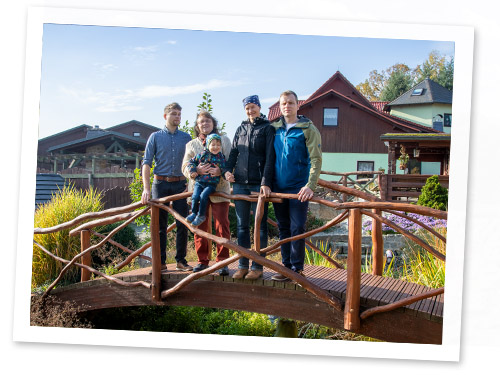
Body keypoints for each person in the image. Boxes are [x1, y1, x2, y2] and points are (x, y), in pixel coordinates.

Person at [270, 90, 322, 281]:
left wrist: (310, 185)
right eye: (284, 103)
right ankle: (286, 268)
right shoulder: (274, 128)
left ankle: (297, 269)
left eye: (291, 103)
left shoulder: (308, 129)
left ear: (297, 105)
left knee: (297, 226)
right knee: (283, 227)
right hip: (278, 187)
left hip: (299, 188)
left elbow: (316, 160)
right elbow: (268, 158)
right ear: (280, 106)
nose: (287, 106)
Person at [224, 95, 275, 280]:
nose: (250, 110)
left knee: (259, 226)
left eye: (253, 107)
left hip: (257, 184)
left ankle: (258, 267)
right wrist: (227, 171)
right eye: (247, 108)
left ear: (259, 107)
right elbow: (233, 154)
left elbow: (270, 157)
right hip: (239, 184)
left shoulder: (267, 128)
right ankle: (243, 265)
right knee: (242, 226)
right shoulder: (240, 128)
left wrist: (265, 182)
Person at [141, 102, 193, 272]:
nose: (177, 117)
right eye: (174, 114)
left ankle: (181, 261)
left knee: (182, 223)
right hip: (159, 185)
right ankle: (160, 263)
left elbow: (192, 162)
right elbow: (146, 163)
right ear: (165, 116)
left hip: (180, 185)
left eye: (179, 114)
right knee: (158, 226)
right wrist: (146, 189)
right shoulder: (155, 137)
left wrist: (190, 185)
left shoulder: (186, 138)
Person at [182, 111, 232, 275]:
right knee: (200, 225)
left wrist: (221, 171)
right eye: (201, 122)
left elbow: (230, 161)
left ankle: (222, 262)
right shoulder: (191, 145)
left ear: (213, 123)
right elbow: (184, 167)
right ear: (197, 126)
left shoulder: (223, 139)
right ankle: (203, 260)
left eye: (208, 121)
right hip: (198, 188)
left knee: (222, 226)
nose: (205, 124)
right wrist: (195, 170)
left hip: (220, 189)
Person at [186, 133, 226, 227]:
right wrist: (193, 170)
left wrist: (220, 171)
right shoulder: (202, 155)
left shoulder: (221, 157)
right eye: (213, 145)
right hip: (199, 182)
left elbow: (225, 168)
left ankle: (201, 215)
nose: (216, 147)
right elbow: (191, 162)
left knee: (203, 195)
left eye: (218, 145)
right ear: (208, 145)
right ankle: (194, 213)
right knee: (195, 197)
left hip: (211, 184)